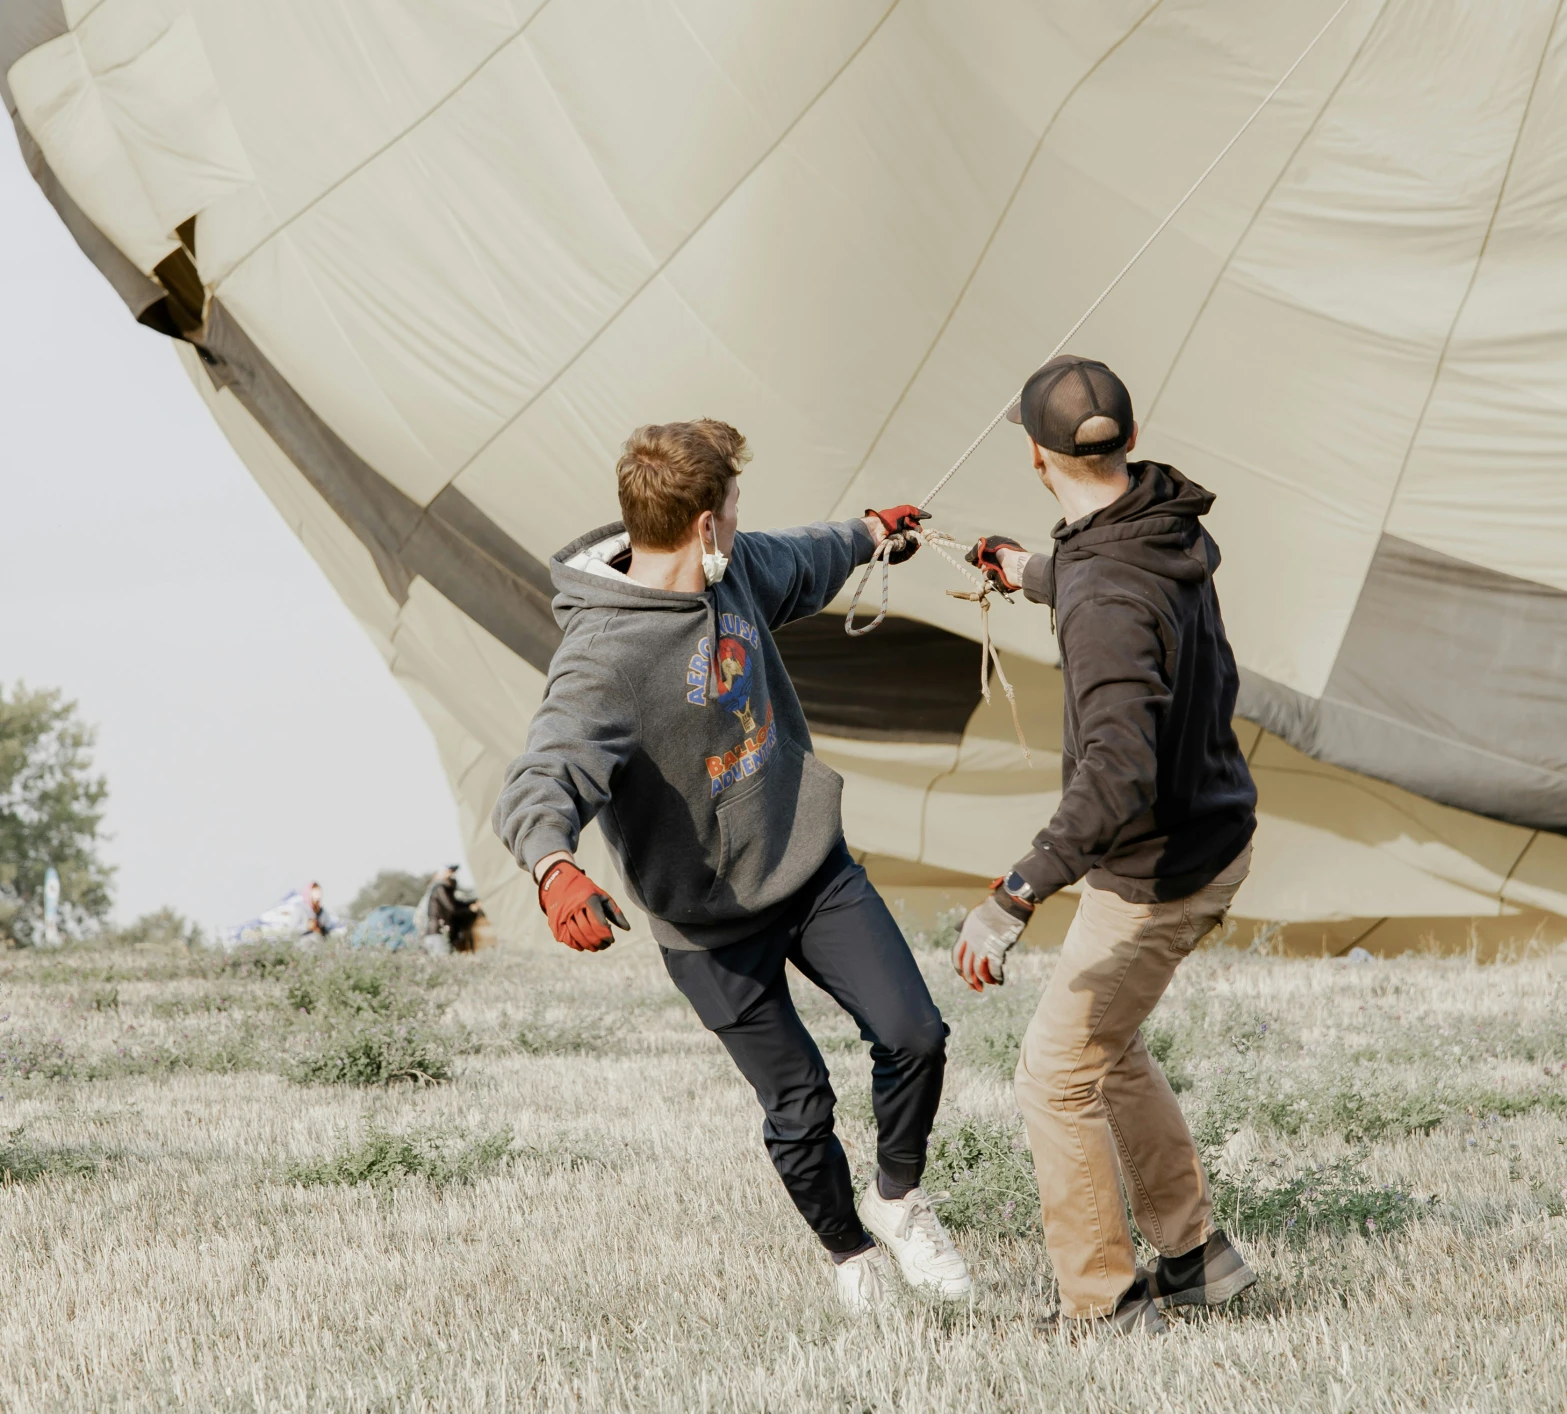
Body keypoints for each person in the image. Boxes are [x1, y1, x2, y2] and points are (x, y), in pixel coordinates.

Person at [492, 418, 973, 1313]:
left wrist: (873, 534)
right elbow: (543, 771)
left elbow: (807, 553)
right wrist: (554, 867)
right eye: (735, 511)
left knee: (914, 1035)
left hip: (809, 863)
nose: (744, 527)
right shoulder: (605, 655)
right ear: (705, 524)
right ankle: (851, 1255)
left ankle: (899, 1201)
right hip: (706, 922)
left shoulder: (738, 570)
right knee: (800, 1105)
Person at [954, 356, 1259, 1337]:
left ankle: (1106, 1303)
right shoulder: (1160, 521)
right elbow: (1124, 595)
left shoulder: (1102, 598)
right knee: (1105, 1047)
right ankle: (1195, 1257)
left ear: (1039, 457)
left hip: (1157, 867)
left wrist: (1013, 895)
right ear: (1126, 441)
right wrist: (1037, 572)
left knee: (1055, 1074)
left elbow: (1114, 775)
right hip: (1210, 829)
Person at [426, 866, 482, 954]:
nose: (453, 876)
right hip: (438, 933)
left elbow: (456, 904)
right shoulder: (440, 888)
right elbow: (452, 908)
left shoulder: (444, 889)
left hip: (440, 933)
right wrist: (470, 910)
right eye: (450, 872)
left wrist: (472, 904)